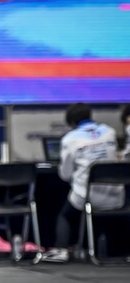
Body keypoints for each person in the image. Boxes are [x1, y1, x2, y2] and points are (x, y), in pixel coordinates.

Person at [41, 103, 123, 263]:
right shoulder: (109, 132)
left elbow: (65, 174)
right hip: (116, 194)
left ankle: (61, 249)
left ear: (71, 122)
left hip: (87, 196)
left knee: (65, 214)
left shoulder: (70, 139)